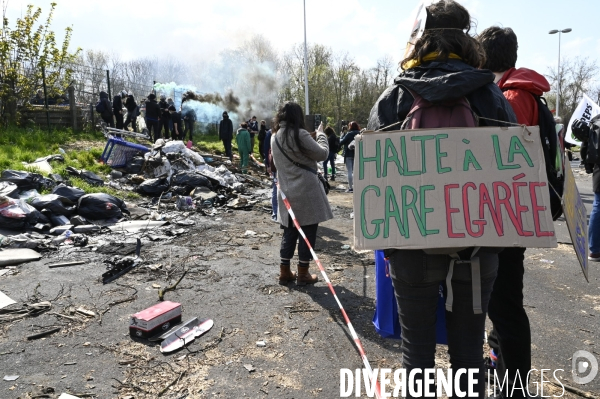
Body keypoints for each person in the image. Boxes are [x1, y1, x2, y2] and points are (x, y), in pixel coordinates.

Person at [366, 2, 517, 397]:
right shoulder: (492, 97)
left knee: (417, 355)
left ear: (421, 38)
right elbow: (513, 176)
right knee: (468, 354)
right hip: (478, 247)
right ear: (467, 39)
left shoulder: (393, 98)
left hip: (411, 247)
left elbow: (372, 180)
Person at [478, 25, 554, 397]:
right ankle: (500, 359)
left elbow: (507, 162)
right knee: (503, 298)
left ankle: (516, 384)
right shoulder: (524, 92)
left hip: (509, 218)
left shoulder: (512, 96)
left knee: (505, 301)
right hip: (513, 215)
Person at [271, 101, 333, 286]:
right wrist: (321, 135)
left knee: (289, 232)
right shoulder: (300, 134)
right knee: (308, 231)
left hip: (286, 192)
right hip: (306, 191)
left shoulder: (275, 136)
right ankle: (303, 274)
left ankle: (284, 272)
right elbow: (322, 154)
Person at [339, 121, 360, 192]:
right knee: (356, 172)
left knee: (349, 171)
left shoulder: (349, 134)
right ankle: (357, 186)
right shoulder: (360, 133)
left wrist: (341, 135)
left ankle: (350, 188)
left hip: (348, 154)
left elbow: (341, 142)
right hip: (357, 154)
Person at [264, 124, 278, 222]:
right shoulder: (270, 133)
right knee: (275, 188)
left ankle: (277, 213)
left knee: (276, 188)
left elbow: (266, 149)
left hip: (276, 165)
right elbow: (266, 149)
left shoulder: (271, 133)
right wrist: (268, 165)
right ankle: (276, 213)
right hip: (276, 166)